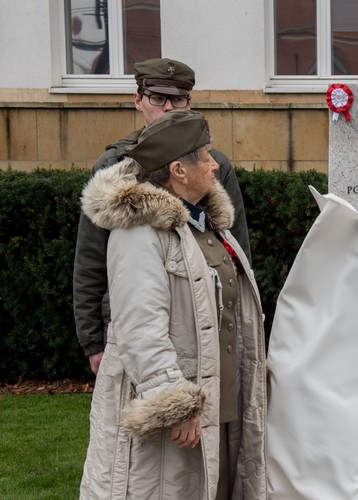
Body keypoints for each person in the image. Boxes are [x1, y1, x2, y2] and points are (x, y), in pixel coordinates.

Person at [65, 110, 277, 500]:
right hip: (175, 410)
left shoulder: (203, 225)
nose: (214, 166)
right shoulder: (140, 232)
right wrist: (172, 400)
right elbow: (140, 326)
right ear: (177, 171)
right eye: (204, 157)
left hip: (209, 400)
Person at [73, 57, 251, 376]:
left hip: (205, 320)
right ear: (138, 99)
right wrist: (93, 342)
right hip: (134, 323)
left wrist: (239, 323)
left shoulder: (215, 165)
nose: (168, 107)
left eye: (178, 98)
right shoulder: (114, 168)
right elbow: (91, 258)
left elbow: (236, 250)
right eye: (158, 97)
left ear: (189, 102)